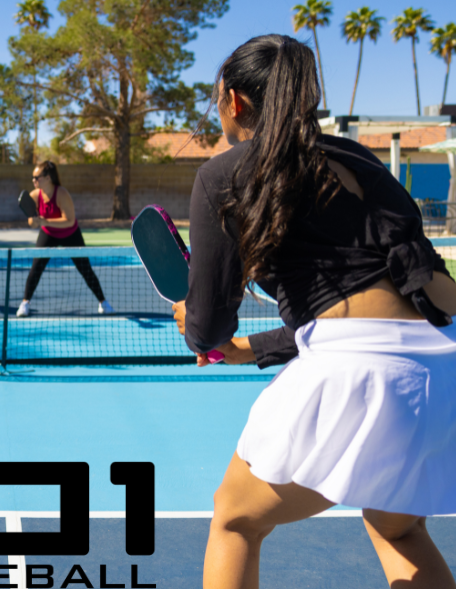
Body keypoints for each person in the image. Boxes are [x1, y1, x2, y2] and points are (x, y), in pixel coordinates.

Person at [173, 34, 456, 588]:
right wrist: (248, 349)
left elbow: (207, 326)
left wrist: (198, 328)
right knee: (396, 526)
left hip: (358, 370)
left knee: (234, 521)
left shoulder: (223, 174)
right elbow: (384, 307)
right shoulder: (363, 162)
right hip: (446, 363)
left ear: (234, 100)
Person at [16, 161, 114, 317]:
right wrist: (34, 221)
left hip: (70, 233)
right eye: (32, 177)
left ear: (47, 178)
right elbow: (31, 220)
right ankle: (25, 303)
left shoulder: (62, 194)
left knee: (85, 269)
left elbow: (69, 220)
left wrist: (44, 221)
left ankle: (103, 303)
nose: (33, 180)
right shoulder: (34, 195)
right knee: (36, 268)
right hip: (48, 234)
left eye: (36, 177)